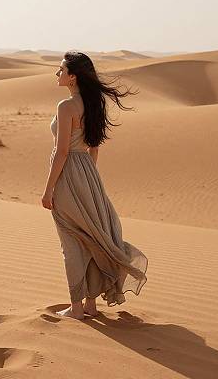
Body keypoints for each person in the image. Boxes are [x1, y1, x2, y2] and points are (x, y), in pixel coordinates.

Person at [42, 51, 148, 320]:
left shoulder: (66, 107)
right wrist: (88, 182)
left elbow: (61, 151)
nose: (57, 74)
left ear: (73, 77)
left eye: (61, 69)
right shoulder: (93, 104)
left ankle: (76, 308)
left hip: (68, 176)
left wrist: (49, 189)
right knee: (90, 239)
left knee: (71, 243)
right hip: (89, 176)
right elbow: (94, 149)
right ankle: (90, 304)